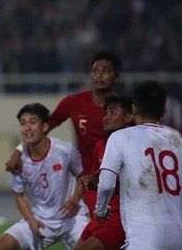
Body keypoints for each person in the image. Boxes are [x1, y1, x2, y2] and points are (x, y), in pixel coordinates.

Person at [6, 50, 123, 213]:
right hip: (86, 182)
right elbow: (42, 128)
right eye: (95, 70)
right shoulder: (74, 102)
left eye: (106, 71)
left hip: (118, 180)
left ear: (117, 77)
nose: (99, 75)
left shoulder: (124, 110)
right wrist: (19, 150)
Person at [95, 81, 182, 249]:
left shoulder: (120, 137)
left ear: (134, 110)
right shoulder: (178, 140)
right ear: (164, 111)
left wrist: (100, 210)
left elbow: (106, 184)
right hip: (179, 236)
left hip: (145, 237)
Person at [0, 103, 89, 250]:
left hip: (72, 218)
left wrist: (75, 200)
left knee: (91, 247)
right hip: (41, 220)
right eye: (23, 123)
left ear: (44, 127)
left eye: (32, 122)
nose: (27, 128)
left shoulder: (65, 150)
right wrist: (31, 221)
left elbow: (83, 177)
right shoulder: (17, 161)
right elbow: (19, 195)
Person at [75, 95, 134, 250]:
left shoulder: (134, 145)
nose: (105, 118)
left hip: (121, 218)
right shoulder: (100, 146)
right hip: (101, 216)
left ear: (129, 117)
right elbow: (98, 178)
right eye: (106, 113)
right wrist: (90, 180)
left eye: (112, 113)